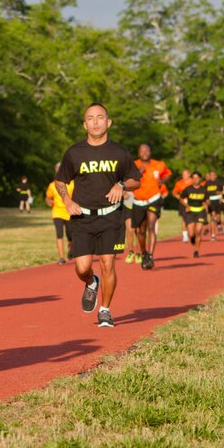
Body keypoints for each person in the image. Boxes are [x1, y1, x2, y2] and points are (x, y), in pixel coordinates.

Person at [54, 103, 141, 328]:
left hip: (110, 217)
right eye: (90, 118)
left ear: (108, 122)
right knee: (82, 267)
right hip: (82, 218)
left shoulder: (119, 152)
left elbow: (135, 180)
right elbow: (60, 180)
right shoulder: (74, 152)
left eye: (100, 117)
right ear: (85, 125)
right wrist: (67, 200)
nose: (95, 121)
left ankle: (105, 310)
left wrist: (121, 184)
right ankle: (91, 282)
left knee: (107, 263)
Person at [131, 143, 171, 270]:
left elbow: (168, 174)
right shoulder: (134, 165)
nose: (144, 152)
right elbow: (127, 179)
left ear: (150, 152)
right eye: (142, 151)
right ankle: (144, 254)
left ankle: (151, 256)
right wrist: (138, 172)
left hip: (154, 198)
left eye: (147, 150)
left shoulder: (159, 164)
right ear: (138, 153)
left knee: (151, 226)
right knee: (140, 231)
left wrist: (162, 181)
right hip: (138, 201)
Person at [45, 164, 74, 264]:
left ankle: (71, 249)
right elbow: (48, 197)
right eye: (57, 170)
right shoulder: (52, 185)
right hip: (57, 212)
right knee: (59, 234)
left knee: (70, 235)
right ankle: (61, 257)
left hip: (69, 212)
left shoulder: (72, 184)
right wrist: (49, 201)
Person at [179, 171, 209, 258]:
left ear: (200, 179)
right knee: (191, 233)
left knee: (198, 231)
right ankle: (192, 238)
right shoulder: (188, 189)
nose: (196, 180)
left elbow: (206, 201)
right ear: (192, 179)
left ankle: (196, 251)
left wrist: (206, 207)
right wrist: (186, 205)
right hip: (190, 212)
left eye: (197, 178)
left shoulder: (204, 190)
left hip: (200, 211)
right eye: (194, 178)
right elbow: (181, 199)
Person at [171, 168, 194, 244]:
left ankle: (193, 233)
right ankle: (185, 236)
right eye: (183, 175)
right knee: (184, 219)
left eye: (186, 174)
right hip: (183, 203)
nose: (184, 176)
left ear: (189, 174)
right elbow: (174, 192)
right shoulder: (179, 183)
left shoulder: (193, 181)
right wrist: (180, 198)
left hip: (193, 202)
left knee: (193, 219)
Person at [204, 170, 224, 241]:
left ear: (216, 176)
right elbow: (204, 192)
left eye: (213, 175)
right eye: (211, 175)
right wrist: (206, 200)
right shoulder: (207, 183)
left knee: (218, 217)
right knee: (212, 217)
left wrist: (221, 193)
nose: (212, 176)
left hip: (218, 201)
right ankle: (213, 235)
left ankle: (219, 224)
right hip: (211, 201)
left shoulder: (219, 182)